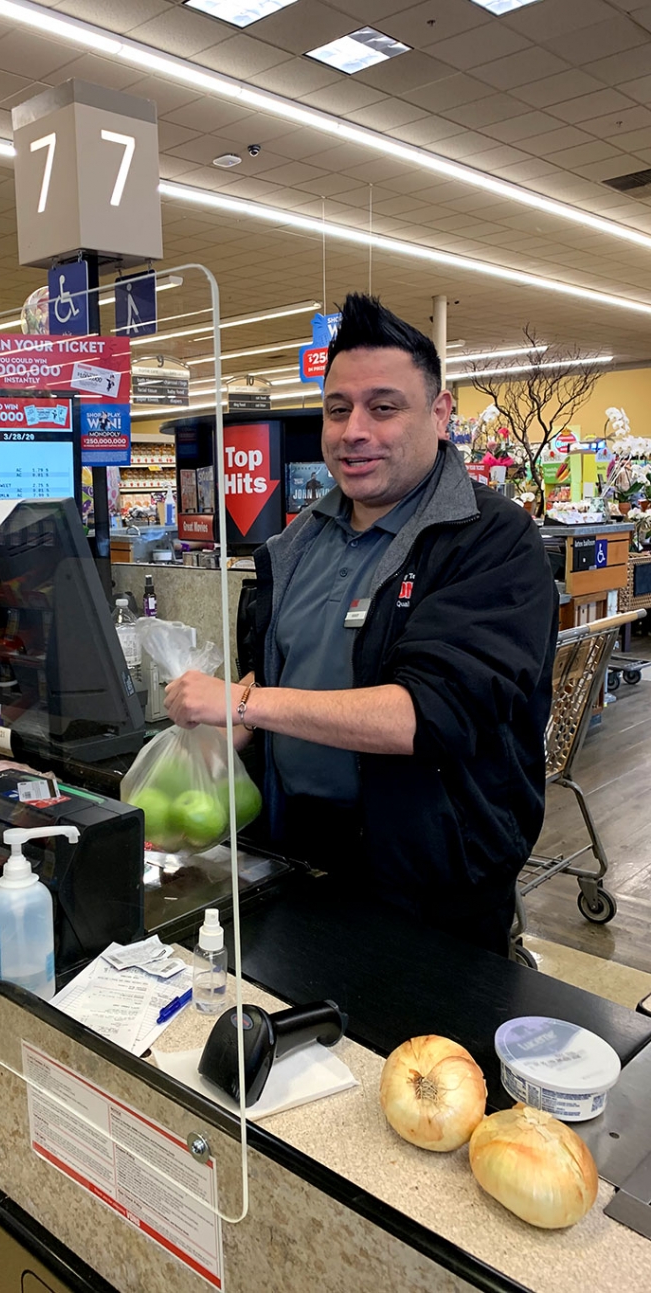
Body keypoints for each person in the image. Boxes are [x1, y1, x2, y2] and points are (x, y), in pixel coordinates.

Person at [164, 293, 558, 956]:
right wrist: (236, 716)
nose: (354, 431)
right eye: (338, 409)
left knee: (422, 1055)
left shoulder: (491, 541)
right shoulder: (301, 542)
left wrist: (247, 700)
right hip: (293, 858)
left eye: (383, 407)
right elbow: (298, 665)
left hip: (430, 882)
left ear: (439, 413)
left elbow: (427, 714)